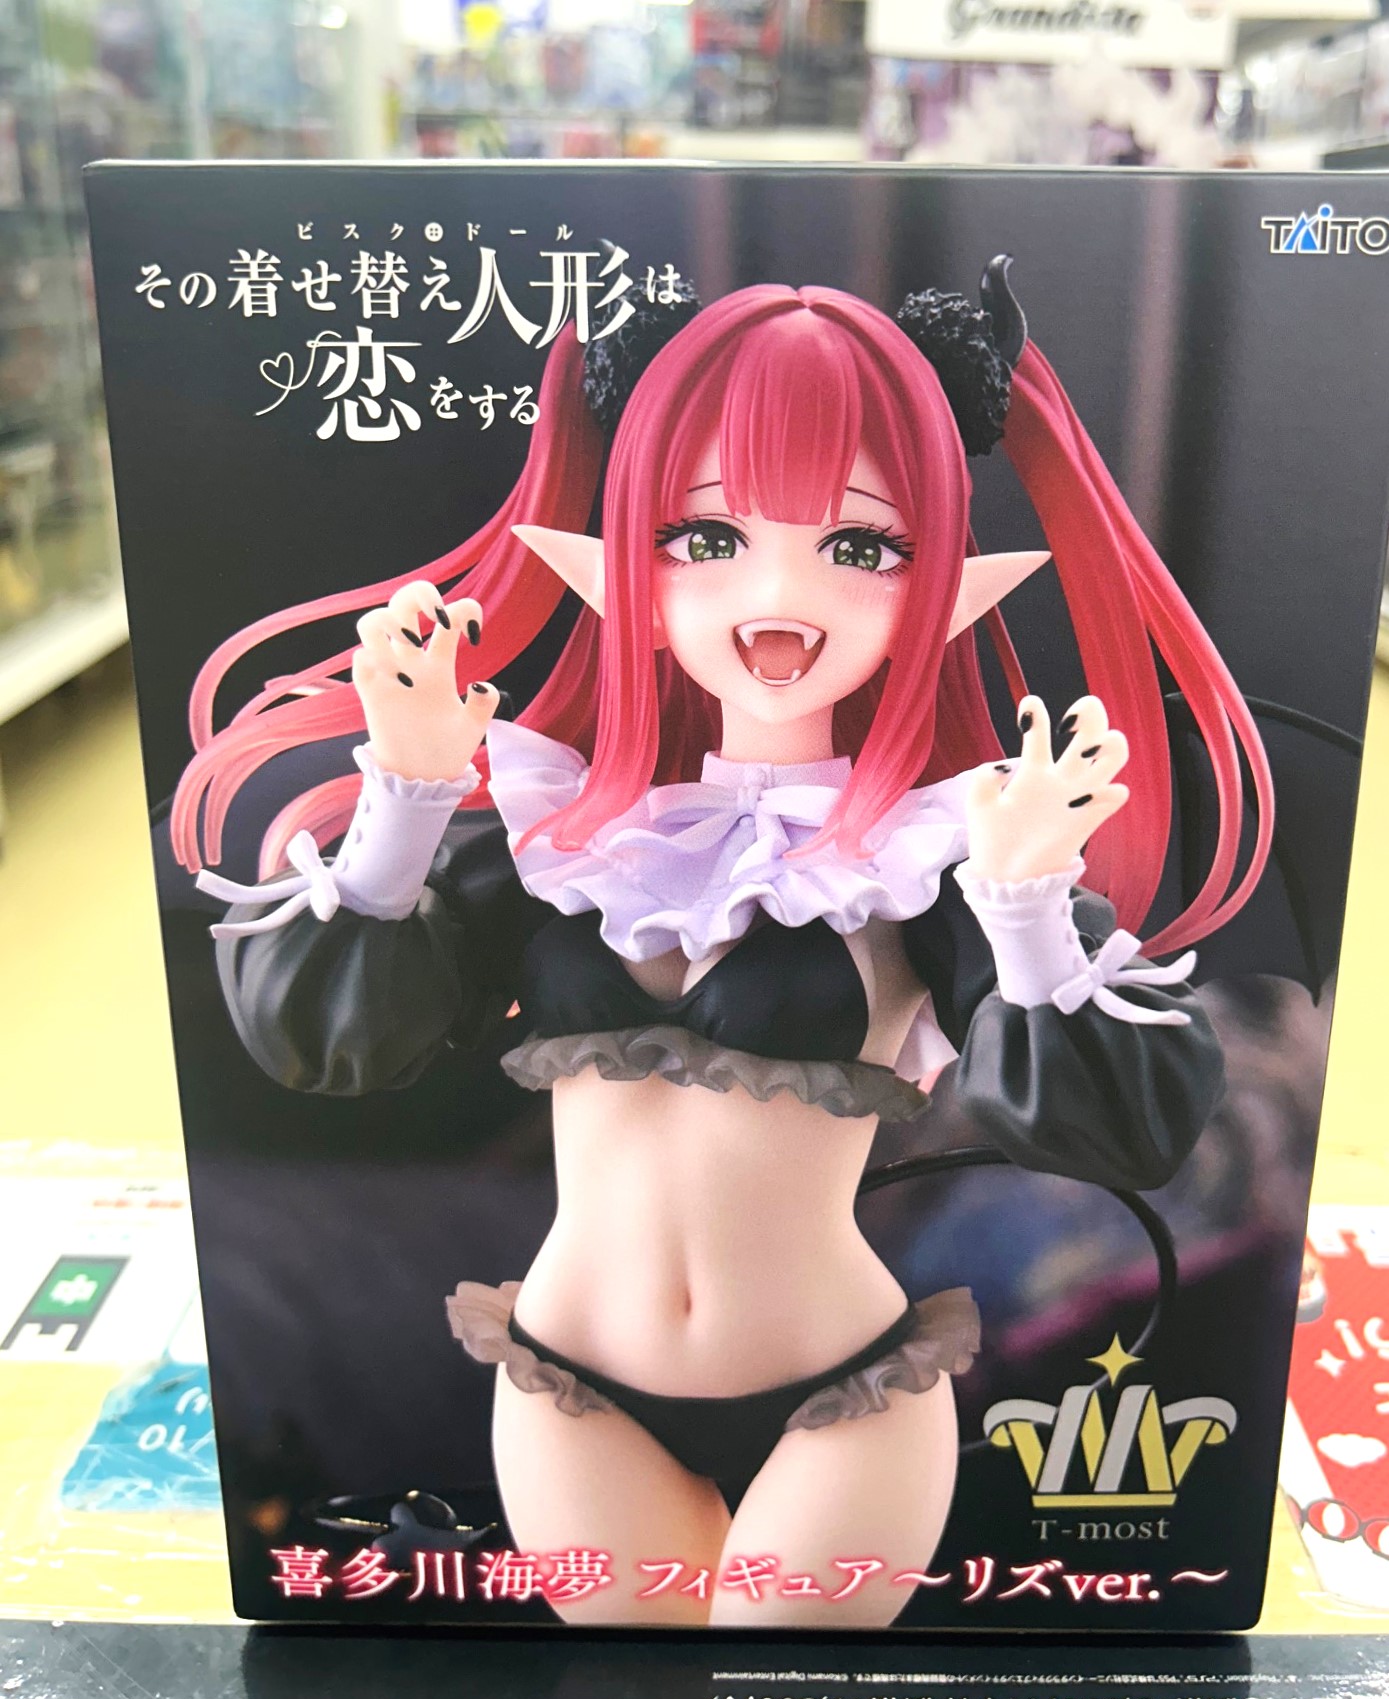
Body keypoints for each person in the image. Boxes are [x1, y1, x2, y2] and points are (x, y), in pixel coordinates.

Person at [174, 265, 1270, 1627]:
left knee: (775, 1688)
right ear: (620, 568)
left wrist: (1030, 902)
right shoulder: (560, 829)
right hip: (572, 1371)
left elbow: (1125, 1126)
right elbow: (322, 1040)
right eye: (704, 535)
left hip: (840, 1381)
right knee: (636, 1694)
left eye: (860, 547)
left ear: (943, 588)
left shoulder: (933, 854)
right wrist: (405, 790)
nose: (778, 592)